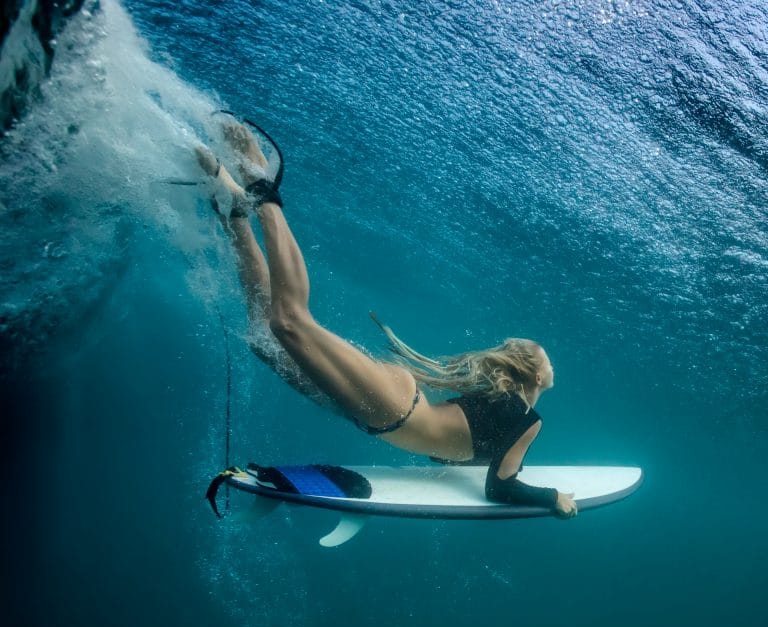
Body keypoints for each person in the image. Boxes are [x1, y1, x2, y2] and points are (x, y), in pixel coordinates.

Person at [196, 121, 577, 519]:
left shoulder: (502, 405)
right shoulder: (527, 420)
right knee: (288, 322)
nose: (554, 367)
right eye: (549, 360)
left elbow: (454, 449)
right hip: (394, 410)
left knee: (265, 341)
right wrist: (552, 498)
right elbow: (500, 487)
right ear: (536, 377)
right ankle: (261, 183)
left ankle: (234, 215)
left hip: (383, 410)